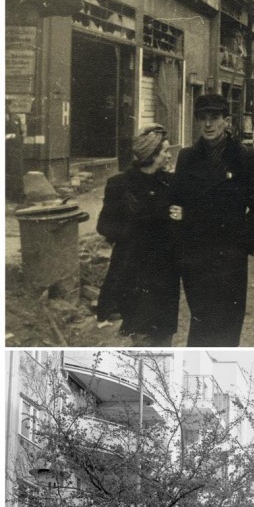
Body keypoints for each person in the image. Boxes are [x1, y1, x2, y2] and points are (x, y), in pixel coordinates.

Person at [170, 93, 254, 346]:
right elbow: (176, 202)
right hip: (196, 254)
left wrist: (244, 242)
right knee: (201, 318)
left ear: (226, 121)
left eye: (214, 118)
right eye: (203, 118)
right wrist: (181, 233)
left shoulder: (245, 157)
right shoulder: (186, 158)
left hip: (230, 254)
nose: (208, 124)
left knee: (228, 321)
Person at [96, 125, 180, 346]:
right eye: (165, 151)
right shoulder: (119, 185)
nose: (170, 155)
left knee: (164, 334)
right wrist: (135, 229)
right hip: (134, 270)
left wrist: (182, 216)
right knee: (142, 334)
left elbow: (182, 221)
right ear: (152, 155)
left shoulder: (170, 183)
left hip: (165, 271)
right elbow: (103, 225)